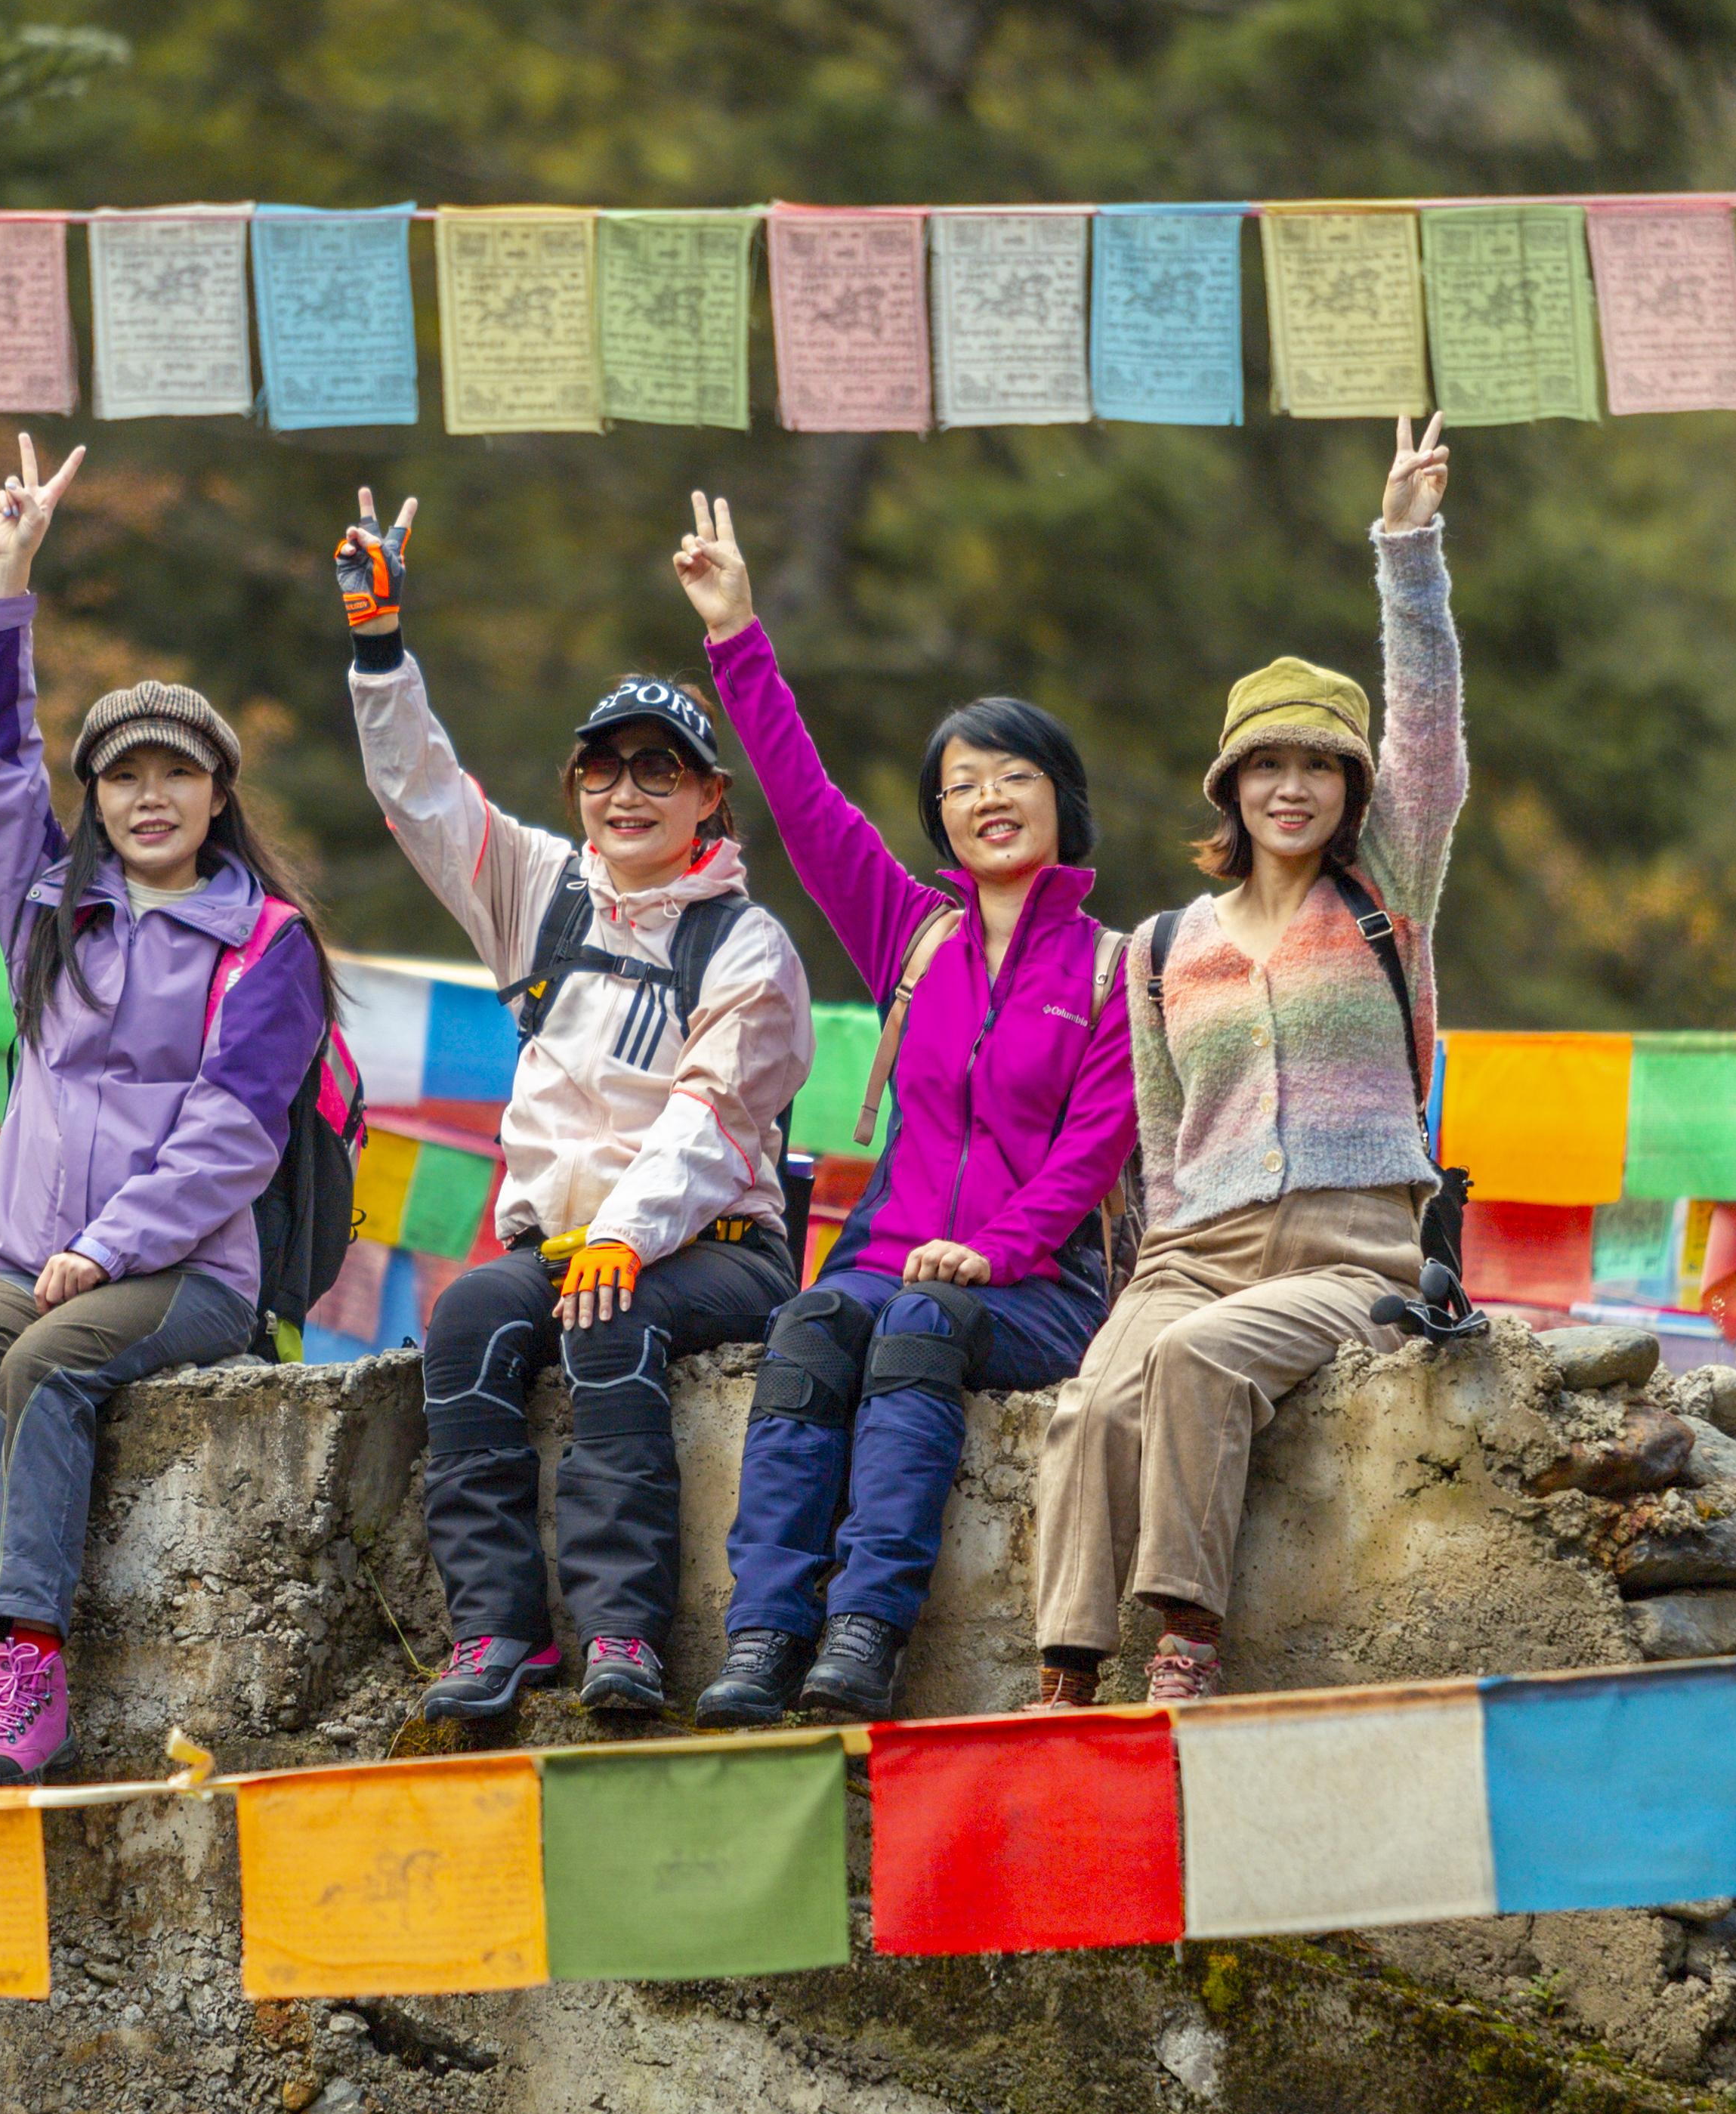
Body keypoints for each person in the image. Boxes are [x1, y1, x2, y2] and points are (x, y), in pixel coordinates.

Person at [0, 437, 335, 1793]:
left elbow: (235, 1134)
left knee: (43, 1367)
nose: (150, 796)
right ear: (98, 800)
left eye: (177, 774)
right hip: (26, 1256)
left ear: (219, 795)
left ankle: (28, 1673)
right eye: (123, 776)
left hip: (183, 1275)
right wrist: (7, 574)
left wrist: (109, 1250)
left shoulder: (266, 942)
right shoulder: (53, 908)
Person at [337, 487, 814, 1726]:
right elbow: (423, 798)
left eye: (661, 771)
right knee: (464, 1331)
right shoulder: (541, 896)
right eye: (604, 771)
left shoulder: (747, 944)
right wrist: (381, 651)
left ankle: (625, 1636)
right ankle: (498, 1633)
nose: (627, 793)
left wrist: (624, 1235)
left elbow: (712, 1120)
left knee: (611, 1327)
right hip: (556, 1245)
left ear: (712, 797)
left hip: (713, 1249)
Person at [671, 493, 1135, 1726]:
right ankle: (766, 1638)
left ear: (1061, 800)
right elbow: (809, 806)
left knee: (926, 1320)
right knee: (817, 1322)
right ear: (938, 819)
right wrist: (737, 636)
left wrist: (990, 1250)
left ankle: (868, 1632)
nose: (988, 798)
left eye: (1014, 776)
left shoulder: (1111, 969)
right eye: (962, 784)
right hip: (886, 1262)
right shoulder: (912, 939)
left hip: (1037, 1291)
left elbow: (1090, 1157)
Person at [1030, 415, 1463, 1710]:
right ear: (1229, 786)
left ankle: (1187, 1636)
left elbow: (1431, 734)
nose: (1291, 787)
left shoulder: (1389, 894)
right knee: (1089, 1406)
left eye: (1318, 765)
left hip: (1353, 1250)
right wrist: (1154, 1266)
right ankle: (1065, 1668)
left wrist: (1408, 549)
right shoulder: (1158, 948)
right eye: (1265, 764)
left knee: (1199, 1362)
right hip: (1193, 1247)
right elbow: (1162, 1147)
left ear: (1350, 787)